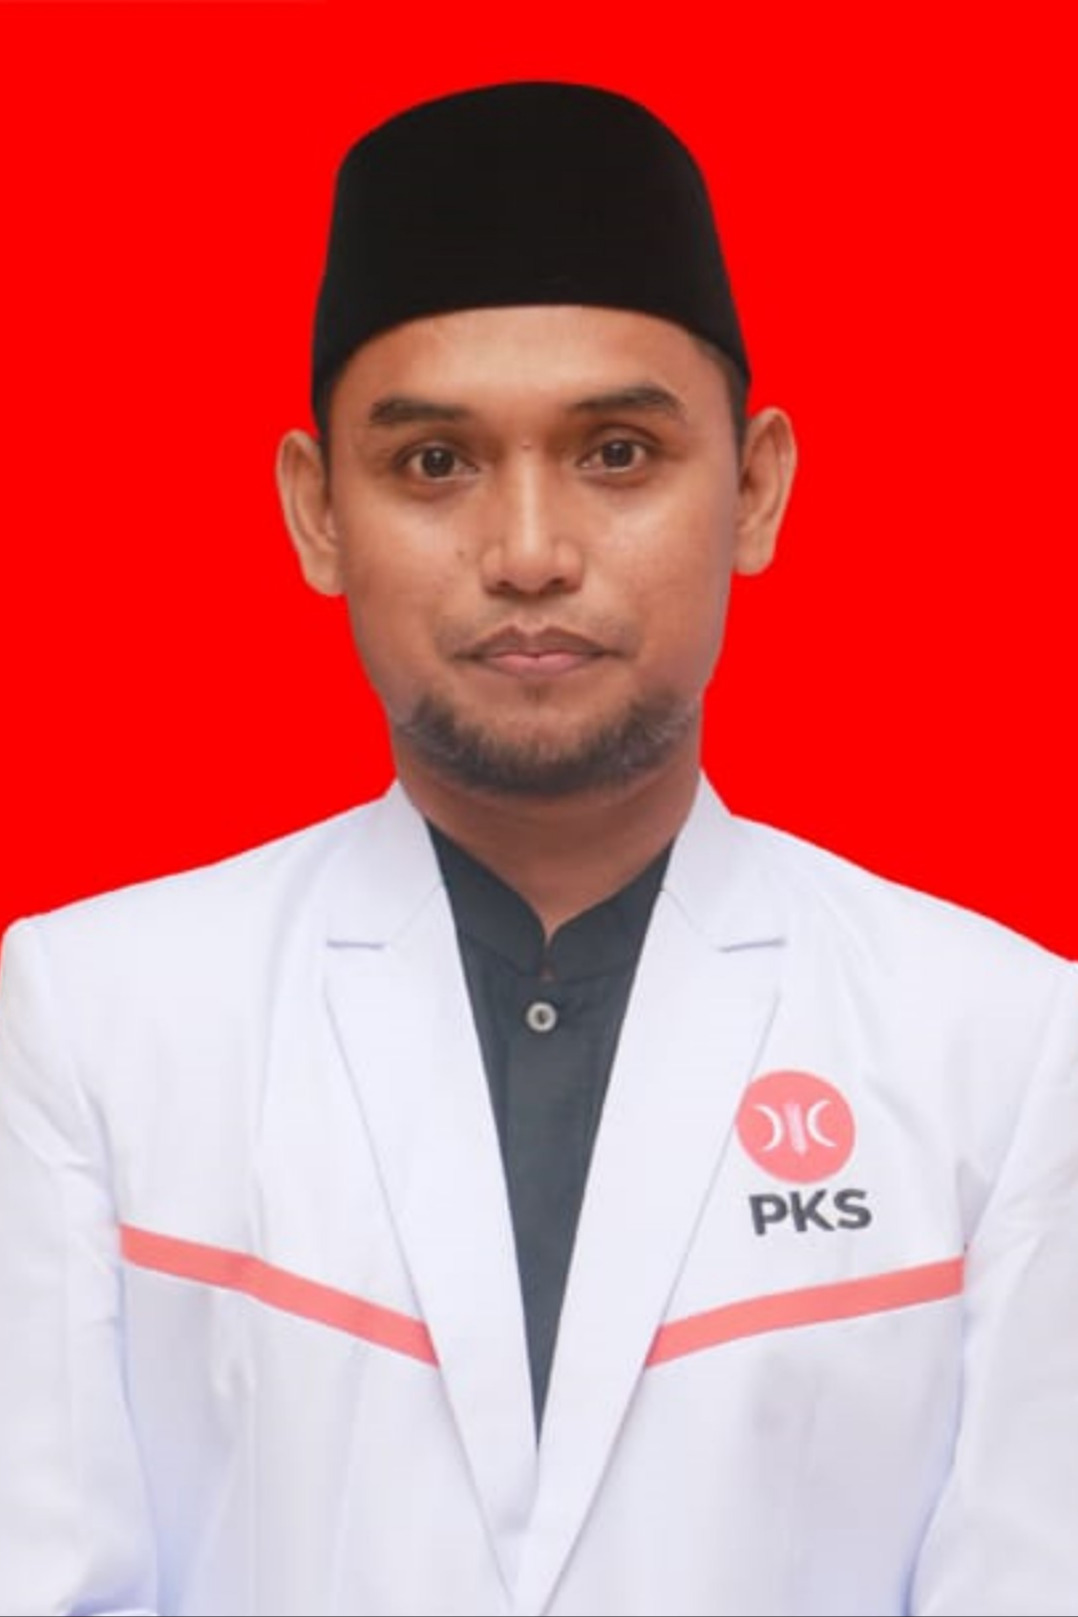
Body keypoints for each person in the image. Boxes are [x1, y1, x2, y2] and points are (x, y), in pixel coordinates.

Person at [1, 81, 1076, 1617]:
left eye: (617, 452)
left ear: (753, 488)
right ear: (316, 512)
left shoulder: (999, 1041)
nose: (526, 552)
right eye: (434, 463)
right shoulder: (96, 1016)